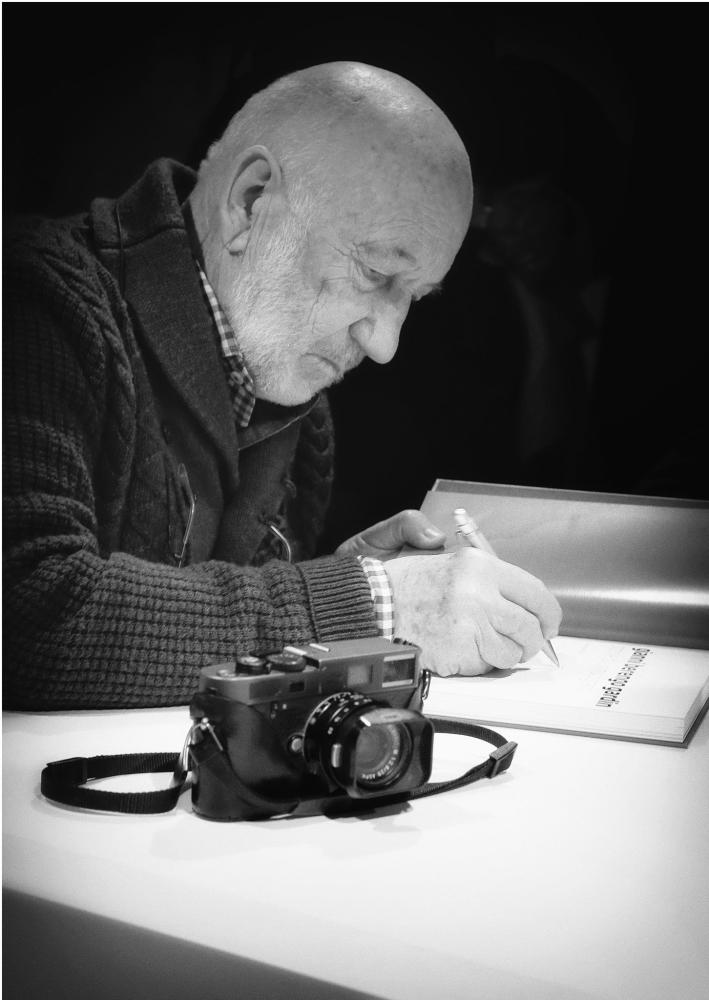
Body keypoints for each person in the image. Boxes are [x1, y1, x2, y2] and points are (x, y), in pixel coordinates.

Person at [3, 61, 561, 710]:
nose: (384, 345)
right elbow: (26, 615)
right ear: (249, 201)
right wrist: (368, 606)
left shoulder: (297, 403)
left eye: (414, 298)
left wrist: (339, 582)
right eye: (376, 272)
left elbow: (204, 633)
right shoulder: (32, 302)